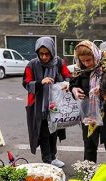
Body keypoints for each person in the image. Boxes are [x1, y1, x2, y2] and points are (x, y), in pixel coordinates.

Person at [69, 40, 106, 164]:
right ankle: (88, 176)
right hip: (89, 112)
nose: (86, 64)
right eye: (83, 60)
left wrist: (104, 87)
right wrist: (74, 90)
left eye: (89, 60)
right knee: (89, 145)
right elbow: (73, 83)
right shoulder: (80, 67)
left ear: (95, 54)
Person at [22, 37, 71, 167]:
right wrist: (40, 82)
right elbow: (26, 83)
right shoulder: (31, 64)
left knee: (53, 131)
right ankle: (47, 160)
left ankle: (53, 157)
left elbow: (67, 75)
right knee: (43, 133)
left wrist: (66, 83)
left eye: (47, 53)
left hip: (55, 104)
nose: (44, 57)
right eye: (41, 54)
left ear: (52, 51)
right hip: (38, 106)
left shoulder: (58, 62)